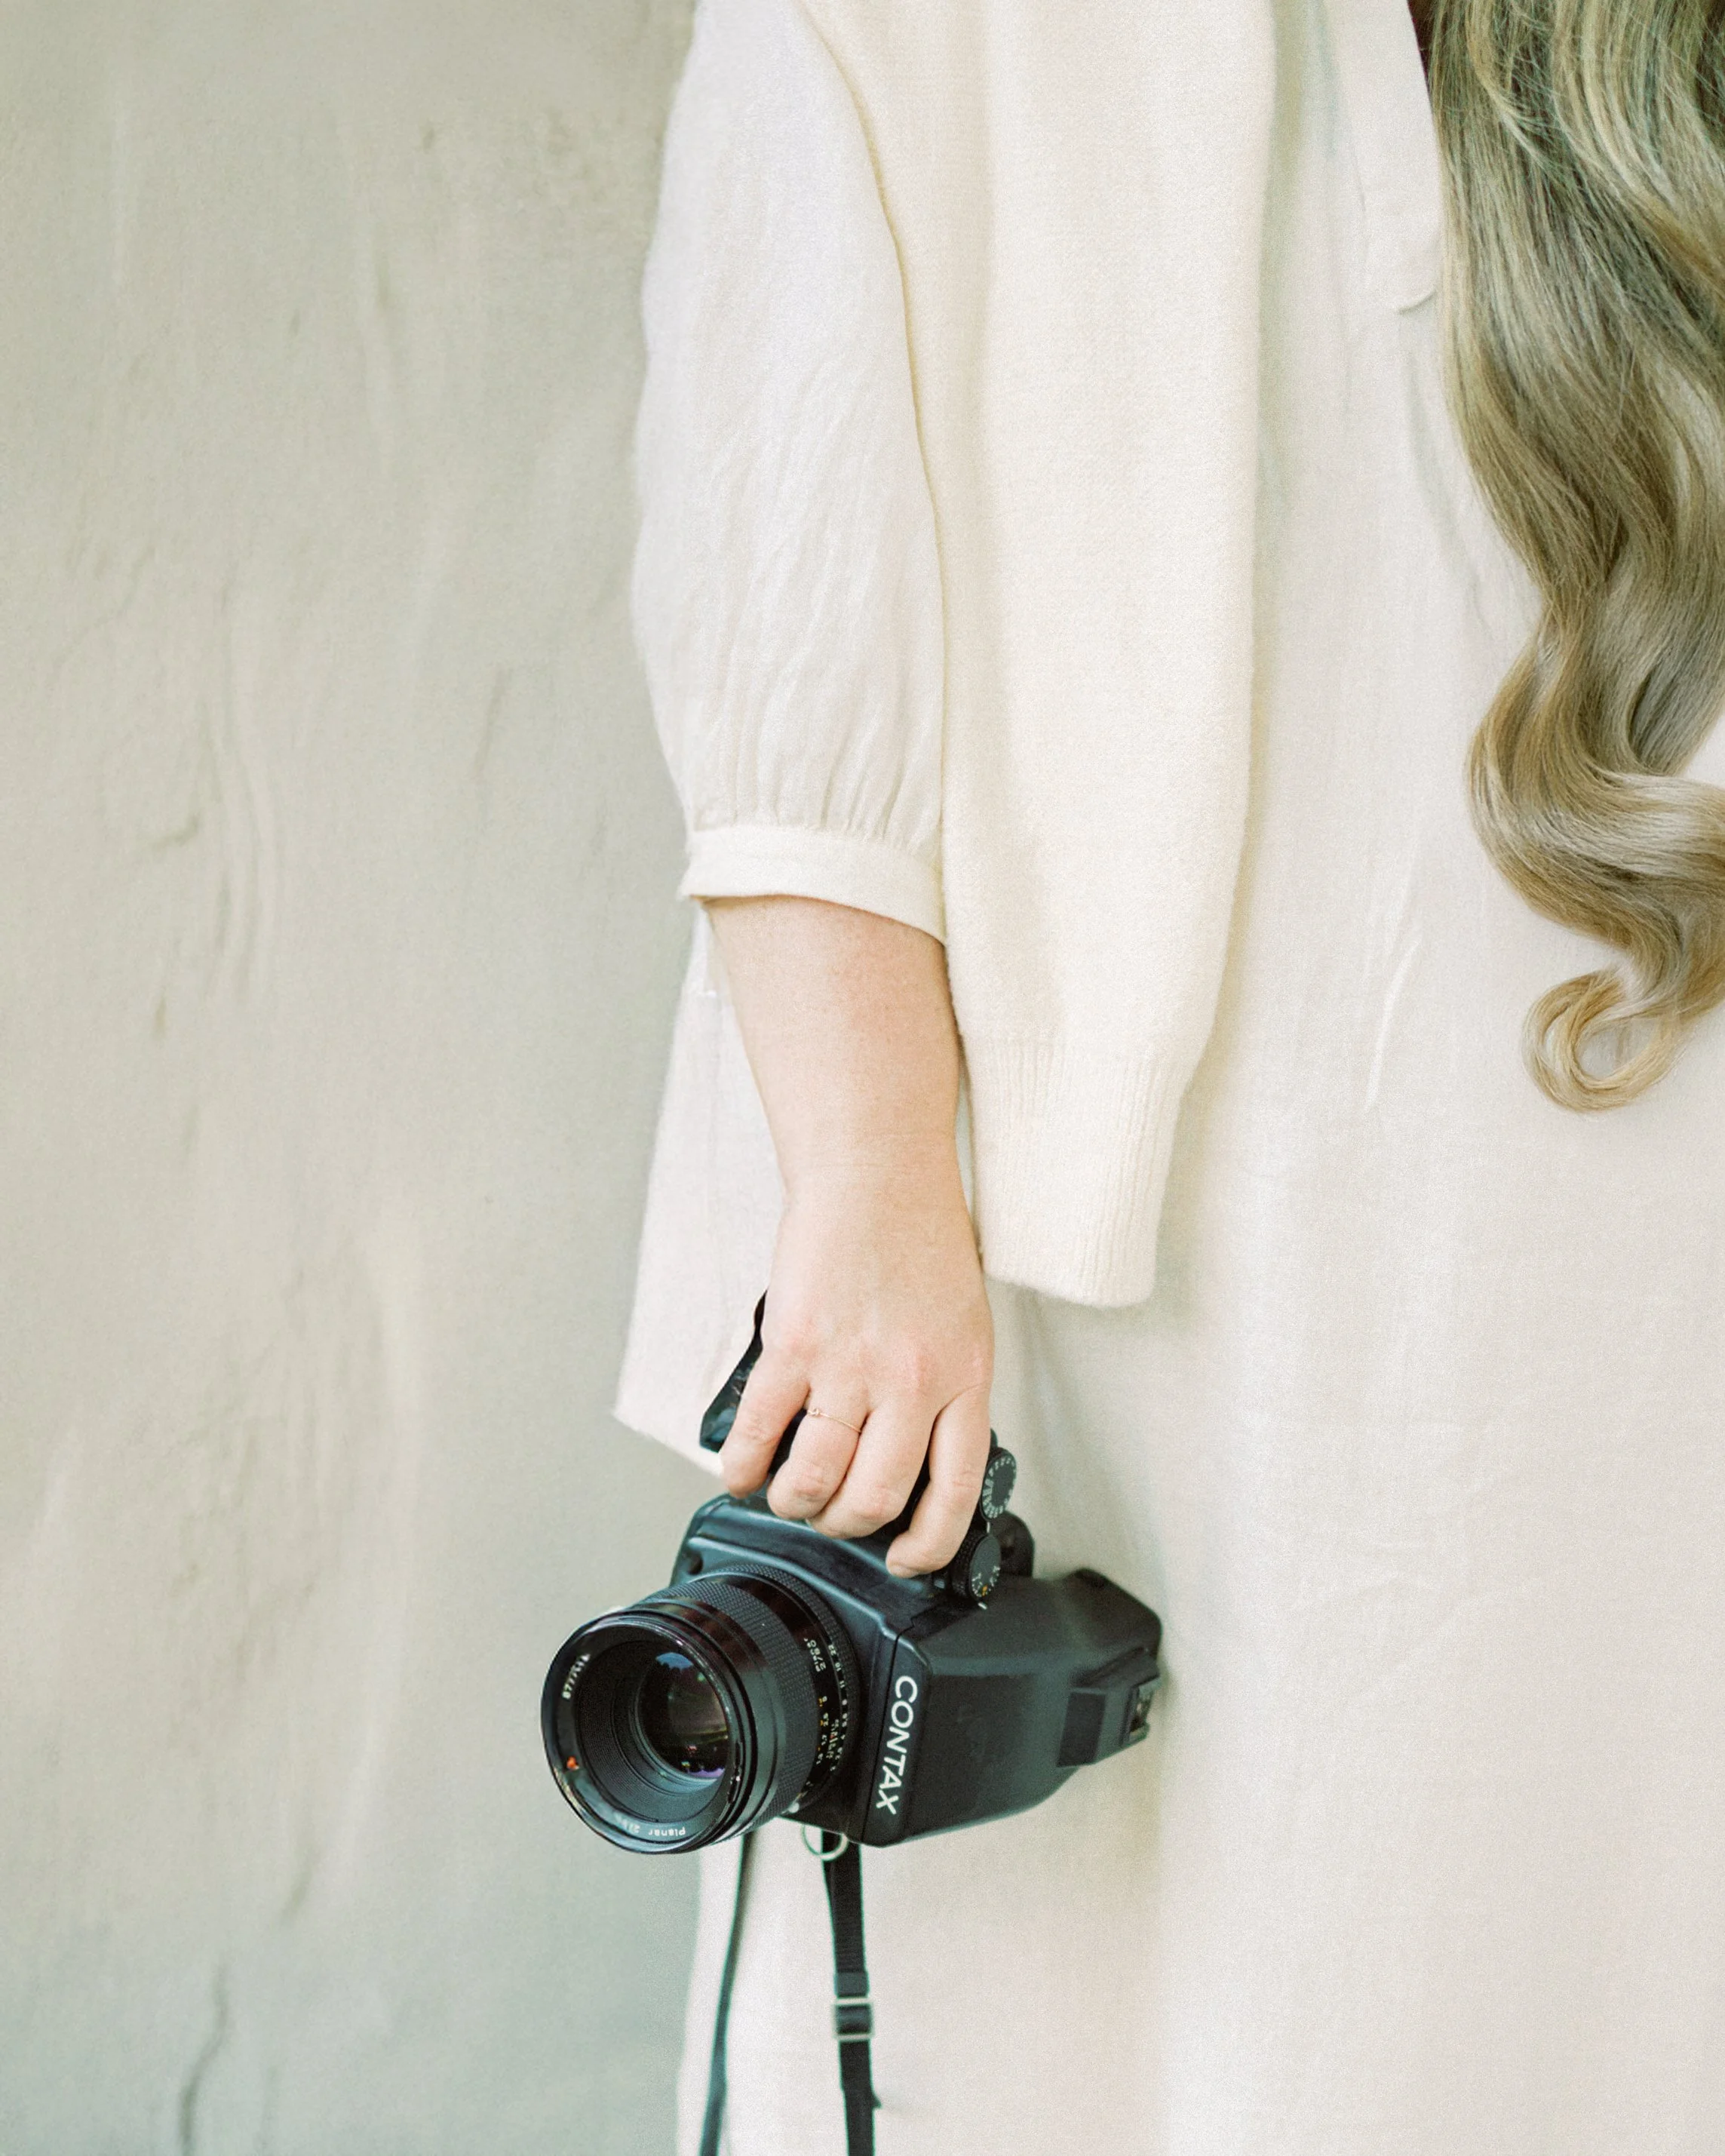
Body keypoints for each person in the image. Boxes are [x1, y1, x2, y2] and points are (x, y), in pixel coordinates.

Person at [612, 1, 1725, 2149]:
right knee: (1109, 2009)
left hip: (1617, 1266)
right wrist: (863, 1185)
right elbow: (784, 581)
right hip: (1116, 1283)